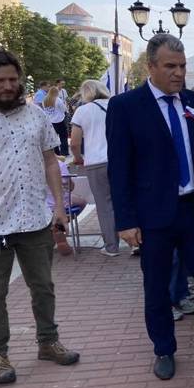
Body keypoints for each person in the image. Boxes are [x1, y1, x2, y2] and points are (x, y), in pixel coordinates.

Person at [106, 34, 194, 380]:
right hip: (153, 215)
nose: (178, 73)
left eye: (182, 66)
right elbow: (119, 169)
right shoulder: (126, 107)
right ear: (151, 66)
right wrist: (125, 221)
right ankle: (164, 350)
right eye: (170, 66)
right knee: (156, 287)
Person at [0, 47, 79, 385]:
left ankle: (48, 343)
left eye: (12, 79)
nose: (8, 86)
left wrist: (59, 208)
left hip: (35, 216)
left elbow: (51, 160)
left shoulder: (35, 115)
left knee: (43, 286)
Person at [69, 80, 120, 257]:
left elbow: (75, 142)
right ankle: (136, 242)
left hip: (96, 162)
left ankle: (112, 246)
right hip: (119, 160)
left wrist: (78, 158)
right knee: (125, 200)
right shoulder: (117, 105)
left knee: (104, 205)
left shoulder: (82, 111)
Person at [42, 86, 69, 156]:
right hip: (59, 120)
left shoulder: (45, 100)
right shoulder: (57, 99)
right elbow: (64, 109)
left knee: (53, 138)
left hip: (50, 121)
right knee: (63, 137)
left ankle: (56, 153)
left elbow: (44, 111)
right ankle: (64, 152)